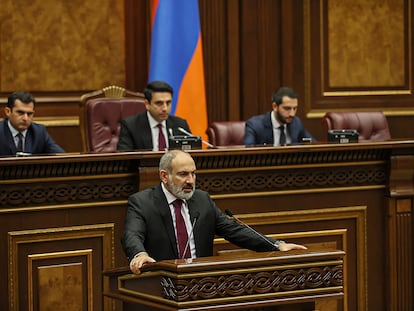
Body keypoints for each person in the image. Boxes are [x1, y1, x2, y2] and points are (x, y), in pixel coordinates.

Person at [122, 149, 307, 274]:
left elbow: (234, 231)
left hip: (200, 283)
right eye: (183, 174)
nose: (191, 180)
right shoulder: (142, 202)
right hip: (161, 283)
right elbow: (132, 234)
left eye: (193, 174)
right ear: (164, 176)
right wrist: (140, 254)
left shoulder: (202, 200)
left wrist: (276, 245)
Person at [117, 80, 192, 151]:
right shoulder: (131, 126)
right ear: (147, 104)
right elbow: (124, 159)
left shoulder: (180, 125)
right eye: (159, 103)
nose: (165, 108)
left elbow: (191, 155)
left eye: (168, 103)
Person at [243, 87, 316, 146]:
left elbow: (313, 145)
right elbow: (248, 152)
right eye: (287, 108)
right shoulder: (255, 125)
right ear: (275, 106)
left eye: (295, 108)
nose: (292, 114)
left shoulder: (296, 123)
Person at [0, 91, 64, 156]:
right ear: (8, 112)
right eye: (20, 113)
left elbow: (60, 156)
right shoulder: (1, 130)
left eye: (29, 114)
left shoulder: (39, 132)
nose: (25, 118)